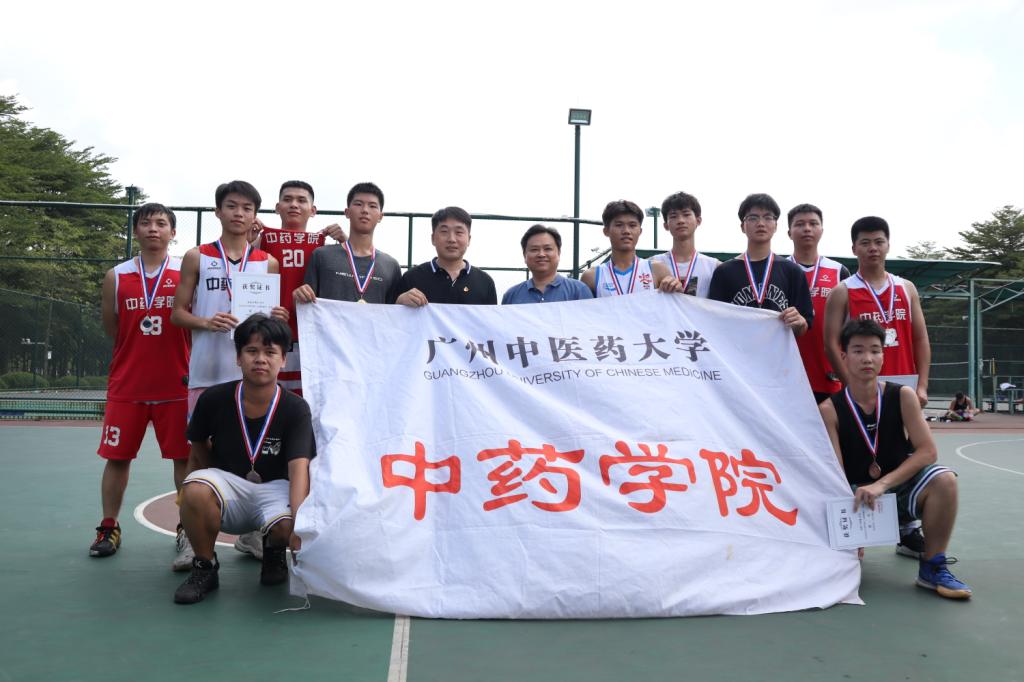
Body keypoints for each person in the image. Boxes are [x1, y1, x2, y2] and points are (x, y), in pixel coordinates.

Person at [819, 319, 971, 599]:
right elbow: (835, 471)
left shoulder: (902, 396)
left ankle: (932, 566)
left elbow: (928, 451)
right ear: (843, 357)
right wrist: (851, 528)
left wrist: (882, 484)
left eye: (875, 350)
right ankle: (848, 547)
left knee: (944, 480)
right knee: (833, 571)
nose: (867, 358)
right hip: (857, 496)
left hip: (896, 488)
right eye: (858, 350)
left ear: (883, 356)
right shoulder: (829, 409)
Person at [174, 315, 315, 605]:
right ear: (238, 358)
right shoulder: (214, 399)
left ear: (283, 360)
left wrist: (300, 527)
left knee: (287, 525)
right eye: (251, 351)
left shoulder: (296, 408)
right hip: (231, 486)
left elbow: (299, 470)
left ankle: (273, 552)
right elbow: (197, 445)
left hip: (275, 489)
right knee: (195, 490)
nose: (260, 359)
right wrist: (211, 476)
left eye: (270, 352)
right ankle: (205, 567)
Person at [90, 204, 193, 570]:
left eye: (161, 223)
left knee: (184, 460)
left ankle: (188, 528)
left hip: (177, 384)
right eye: (146, 223)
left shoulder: (185, 271)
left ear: (172, 233)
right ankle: (109, 527)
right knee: (117, 458)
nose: (153, 228)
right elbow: (112, 327)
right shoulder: (116, 276)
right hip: (128, 384)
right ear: (135, 231)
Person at [170, 180, 288, 421]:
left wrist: (278, 317)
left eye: (246, 208)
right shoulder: (197, 256)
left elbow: (269, 322)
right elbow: (177, 314)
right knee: (202, 442)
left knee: (248, 440)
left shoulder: (268, 262)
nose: (239, 213)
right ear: (218, 211)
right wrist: (206, 322)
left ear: (254, 215)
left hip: (252, 375)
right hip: (206, 372)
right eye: (231, 206)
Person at [823, 216, 931, 408]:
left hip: (904, 387)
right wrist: (850, 385)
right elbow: (831, 345)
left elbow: (920, 339)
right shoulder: (842, 292)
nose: (873, 248)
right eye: (865, 243)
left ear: (888, 245)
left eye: (879, 242)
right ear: (854, 248)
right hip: (862, 390)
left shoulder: (907, 288)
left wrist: (922, 386)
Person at [707, 193, 812, 336]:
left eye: (768, 217)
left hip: (778, 350)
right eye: (753, 218)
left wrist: (799, 322)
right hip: (736, 349)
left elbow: (803, 325)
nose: (761, 223)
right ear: (742, 226)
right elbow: (714, 322)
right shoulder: (724, 272)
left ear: (776, 226)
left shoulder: (792, 271)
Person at [294, 182, 403, 305]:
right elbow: (305, 306)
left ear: (380, 217)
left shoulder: (391, 266)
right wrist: (298, 297)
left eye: (372, 206)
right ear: (347, 212)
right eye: (358, 204)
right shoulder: (321, 256)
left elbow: (394, 311)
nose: (365, 210)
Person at [786, 203, 851, 402]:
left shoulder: (839, 271)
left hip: (829, 370)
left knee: (830, 421)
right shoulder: (779, 269)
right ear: (789, 232)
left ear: (822, 230)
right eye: (800, 224)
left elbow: (849, 324)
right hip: (787, 369)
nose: (807, 228)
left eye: (813, 223)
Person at [396, 206, 497, 306]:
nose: (451, 239)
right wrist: (399, 302)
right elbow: (393, 313)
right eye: (444, 232)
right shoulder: (411, 278)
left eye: (459, 232)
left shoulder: (485, 282)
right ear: (433, 238)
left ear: (469, 239)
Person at [581, 200, 681, 296]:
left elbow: (675, 304)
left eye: (632, 225)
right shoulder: (591, 276)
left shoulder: (658, 270)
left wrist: (677, 289)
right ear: (606, 231)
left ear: (640, 231)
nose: (626, 231)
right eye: (619, 225)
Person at [647, 191, 720, 298]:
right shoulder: (650, 265)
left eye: (686, 214)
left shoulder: (714, 267)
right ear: (666, 225)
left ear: (698, 221)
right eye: (673, 216)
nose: (680, 220)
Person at [501, 224, 593, 304]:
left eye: (548, 249)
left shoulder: (579, 291)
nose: (541, 254)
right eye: (534, 249)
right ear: (525, 255)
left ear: (558, 253)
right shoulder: (511, 296)